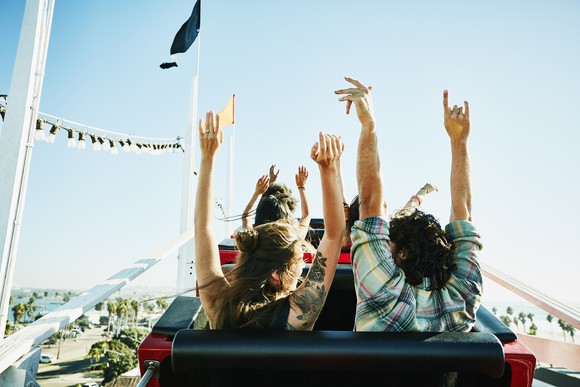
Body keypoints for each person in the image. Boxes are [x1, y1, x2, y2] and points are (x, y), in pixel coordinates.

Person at [335, 77, 483, 332]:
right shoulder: (463, 298)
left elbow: (370, 202)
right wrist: (459, 141)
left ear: (402, 253)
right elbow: (464, 212)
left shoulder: (382, 294)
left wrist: (368, 124)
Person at [194, 110, 345, 330]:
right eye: (298, 261)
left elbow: (202, 228)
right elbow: (334, 235)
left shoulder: (217, 304)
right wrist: (328, 168)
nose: (303, 266)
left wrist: (208, 157)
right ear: (276, 274)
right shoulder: (296, 314)